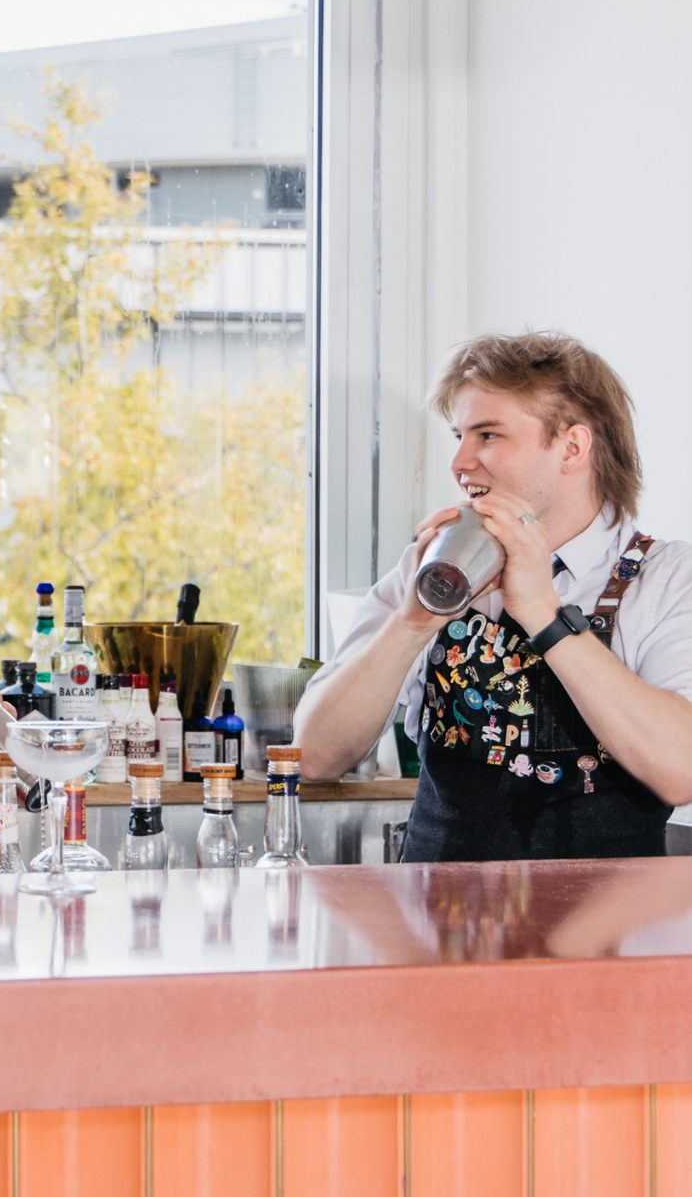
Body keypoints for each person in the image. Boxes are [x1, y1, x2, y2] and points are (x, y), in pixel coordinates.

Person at [295, 331, 692, 862]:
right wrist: (412, 623)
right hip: (438, 933)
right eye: (458, 435)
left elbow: (681, 771)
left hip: (604, 939)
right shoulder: (430, 571)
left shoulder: (666, 579)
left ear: (572, 447)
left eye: (487, 435)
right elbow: (313, 757)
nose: (459, 462)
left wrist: (542, 612)